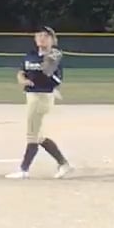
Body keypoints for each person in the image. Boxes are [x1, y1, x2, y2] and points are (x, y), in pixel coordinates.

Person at [7, 26, 74, 179]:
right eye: (39, 35)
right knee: (39, 136)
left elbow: (57, 80)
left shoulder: (54, 55)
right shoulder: (30, 55)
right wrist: (22, 79)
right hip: (31, 96)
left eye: (45, 36)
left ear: (52, 40)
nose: (41, 38)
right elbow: (21, 72)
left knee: (32, 135)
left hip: (42, 96)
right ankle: (64, 164)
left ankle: (24, 170)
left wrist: (48, 71)